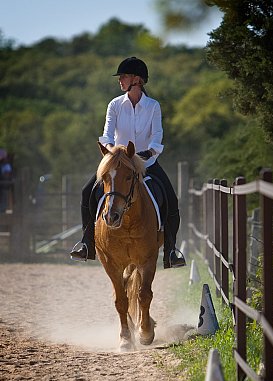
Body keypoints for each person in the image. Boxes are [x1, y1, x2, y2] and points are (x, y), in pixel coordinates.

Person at [70, 56, 186, 268]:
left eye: (123, 76)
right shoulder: (115, 104)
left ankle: (171, 251)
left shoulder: (153, 106)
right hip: (118, 164)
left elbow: (157, 137)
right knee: (87, 192)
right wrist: (116, 153)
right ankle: (86, 243)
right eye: (121, 77)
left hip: (146, 163)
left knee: (172, 201)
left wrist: (146, 154)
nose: (120, 80)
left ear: (137, 80)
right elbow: (106, 135)